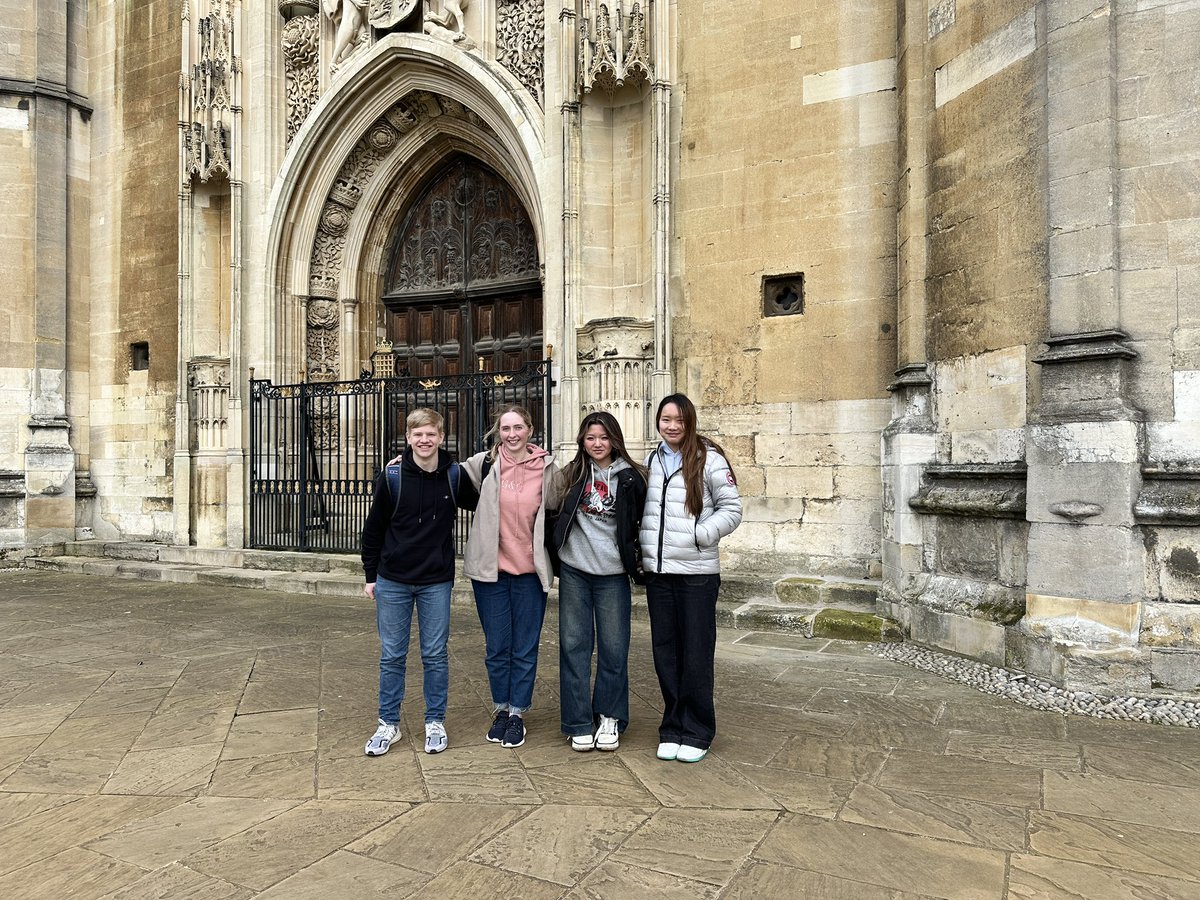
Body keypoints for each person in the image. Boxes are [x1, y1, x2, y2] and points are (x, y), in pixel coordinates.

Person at [640, 393, 742, 764]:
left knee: (696, 653)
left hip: (696, 575)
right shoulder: (652, 460)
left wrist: (700, 534)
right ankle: (672, 727)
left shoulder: (709, 459)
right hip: (660, 574)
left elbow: (732, 509)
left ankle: (697, 730)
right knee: (666, 652)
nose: (672, 426)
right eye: (666, 419)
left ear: (690, 422)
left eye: (679, 420)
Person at [361, 408, 463, 756]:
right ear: (407, 438)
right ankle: (388, 723)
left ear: (441, 436)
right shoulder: (392, 476)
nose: (424, 440)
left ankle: (435, 720)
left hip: (436, 580)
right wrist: (370, 575)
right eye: (418, 434)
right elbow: (374, 529)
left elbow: (490, 495)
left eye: (431, 434)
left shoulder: (454, 475)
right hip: (393, 579)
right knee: (392, 655)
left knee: (435, 654)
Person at [460, 405, 560, 748]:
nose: (512, 434)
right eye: (506, 428)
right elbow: (440, 472)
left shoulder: (547, 468)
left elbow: (561, 507)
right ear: (498, 432)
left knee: (525, 647)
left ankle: (517, 713)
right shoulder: (483, 464)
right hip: (491, 572)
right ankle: (501, 709)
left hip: (530, 573)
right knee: (497, 647)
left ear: (530, 429)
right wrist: (403, 462)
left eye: (518, 427)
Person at [552, 411, 647, 752]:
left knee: (614, 648)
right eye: (591, 437)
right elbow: (547, 508)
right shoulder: (571, 474)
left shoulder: (634, 478)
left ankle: (609, 716)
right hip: (575, 570)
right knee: (573, 646)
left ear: (614, 440)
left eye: (604, 437)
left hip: (613, 574)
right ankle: (577, 721)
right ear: (582, 440)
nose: (597, 444)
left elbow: (644, 521)